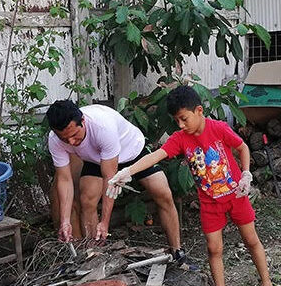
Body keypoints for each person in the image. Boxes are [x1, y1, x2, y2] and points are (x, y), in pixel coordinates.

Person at [106, 86, 281, 286]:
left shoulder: (218, 128)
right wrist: (127, 171)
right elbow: (155, 156)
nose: (180, 125)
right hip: (209, 202)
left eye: (184, 119)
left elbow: (243, 147)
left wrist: (246, 173)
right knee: (214, 248)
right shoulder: (181, 139)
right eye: (176, 120)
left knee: (251, 240)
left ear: (199, 111)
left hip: (235, 195)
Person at [47, 99, 188, 263]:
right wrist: (65, 221)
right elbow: (64, 180)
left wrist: (105, 223)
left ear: (83, 121)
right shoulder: (55, 139)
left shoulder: (102, 127)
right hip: (96, 159)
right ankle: (94, 256)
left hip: (131, 152)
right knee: (87, 199)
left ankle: (177, 251)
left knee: (162, 193)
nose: (71, 142)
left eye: (73, 135)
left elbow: (110, 178)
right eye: (64, 139)